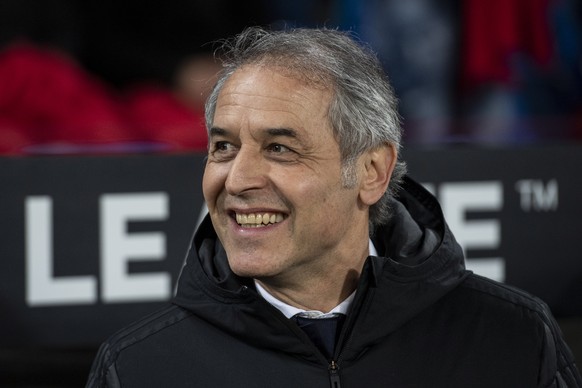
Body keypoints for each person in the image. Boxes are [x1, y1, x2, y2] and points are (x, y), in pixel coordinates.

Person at [86, 27, 581, 387]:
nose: (236, 179)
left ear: (371, 171)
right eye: (223, 147)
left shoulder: (514, 337)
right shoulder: (137, 368)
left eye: (279, 148)